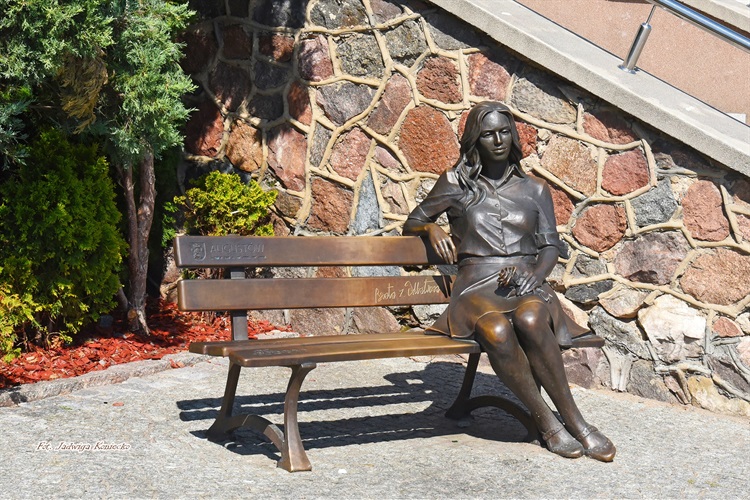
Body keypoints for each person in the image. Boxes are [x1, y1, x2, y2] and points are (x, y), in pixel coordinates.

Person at [403, 101, 616, 462]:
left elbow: (550, 245)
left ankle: (576, 421)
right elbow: (413, 221)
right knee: (496, 330)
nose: (498, 140)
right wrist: (430, 228)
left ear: (514, 136)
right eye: (488, 134)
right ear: (475, 140)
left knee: (531, 319)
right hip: (475, 286)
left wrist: (535, 274)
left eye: (504, 132)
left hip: (525, 282)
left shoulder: (535, 190)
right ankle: (548, 423)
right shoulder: (455, 183)